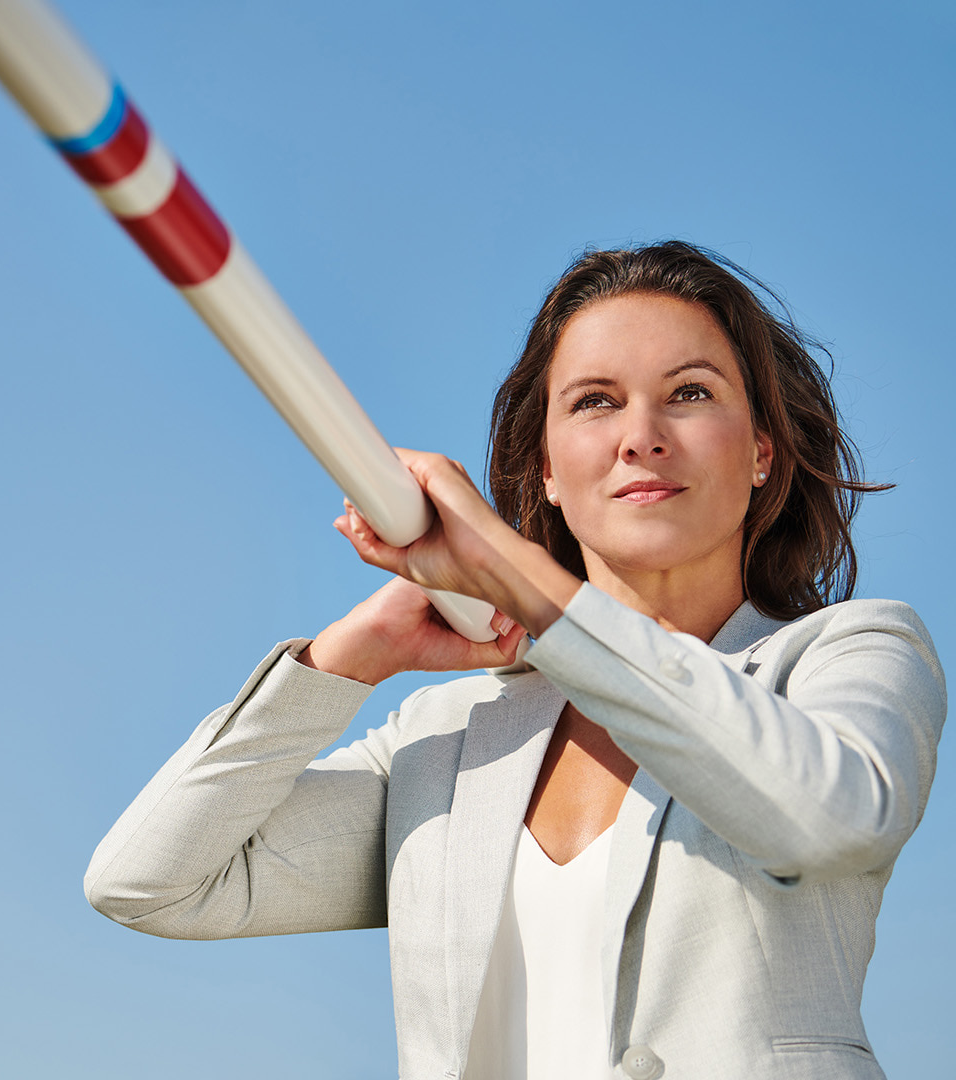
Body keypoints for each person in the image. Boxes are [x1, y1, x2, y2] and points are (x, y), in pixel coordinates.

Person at [83, 242, 945, 1080]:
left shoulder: (849, 654)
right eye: (596, 402)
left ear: (761, 450)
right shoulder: (447, 740)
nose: (640, 437)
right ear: (549, 471)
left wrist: (523, 580)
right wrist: (346, 658)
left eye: (688, 392)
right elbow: (148, 881)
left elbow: (834, 819)